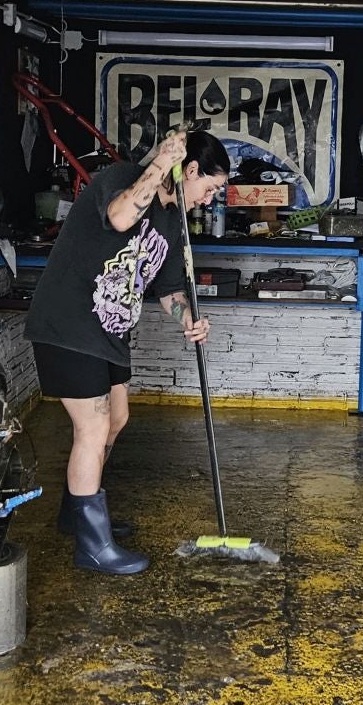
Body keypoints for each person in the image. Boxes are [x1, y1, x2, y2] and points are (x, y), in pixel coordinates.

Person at [25, 128, 230, 574]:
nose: (210, 199)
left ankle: (78, 515)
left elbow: (170, 289)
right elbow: (121, 217)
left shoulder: (176, 224)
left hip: (109, 330)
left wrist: (187, 321)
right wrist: (160, 164)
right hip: (70, 322)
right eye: (210, 187)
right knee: (94, 427)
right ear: (189, 169)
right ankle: (93, 546)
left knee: (116, 421)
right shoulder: (120, 178)